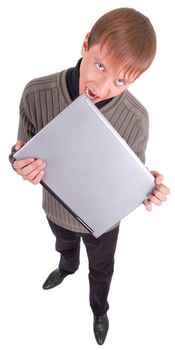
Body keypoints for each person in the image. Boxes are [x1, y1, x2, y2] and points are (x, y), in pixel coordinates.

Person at [9, 8, 170, 345]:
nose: (102, 86)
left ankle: (99, 309)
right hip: (55, 209)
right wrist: (17, 163)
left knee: (101, 270)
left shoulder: (136, 119)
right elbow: (23, 149)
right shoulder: (36, 93)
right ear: (86, 44)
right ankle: (66, 268)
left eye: (120, 80)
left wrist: (148, 188)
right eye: (100, 66)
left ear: (134, 81)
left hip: (103, 224)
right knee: (64, 246)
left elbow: (129, 174)